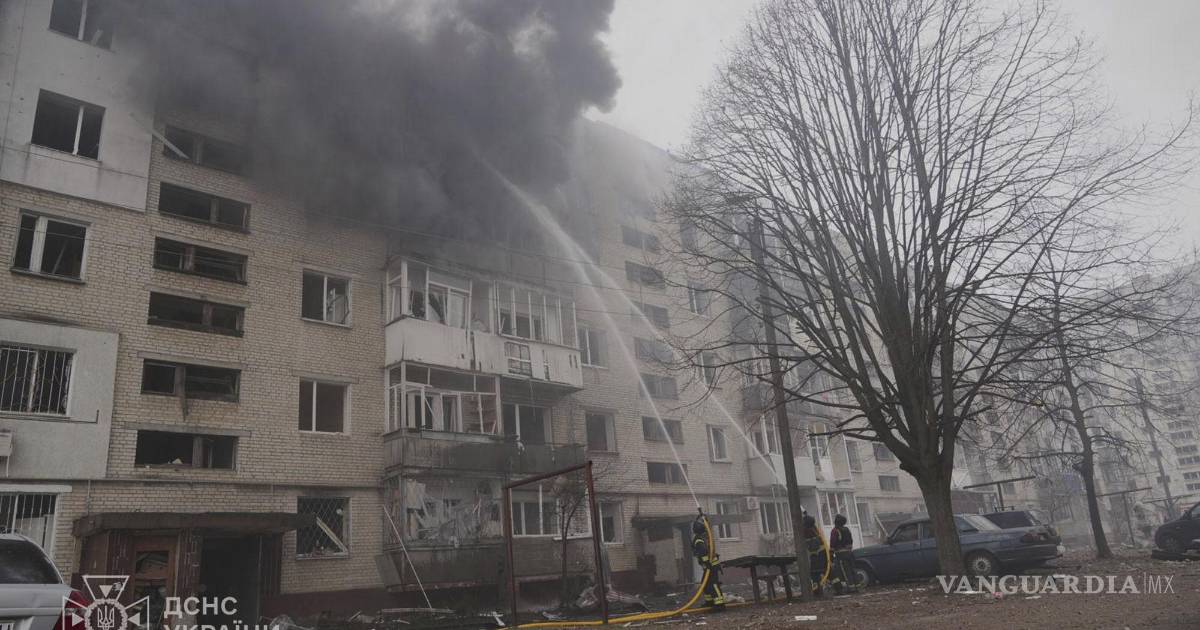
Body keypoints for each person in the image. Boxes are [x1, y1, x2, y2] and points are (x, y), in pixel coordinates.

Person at [691, 516, 726, 609]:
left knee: (713, 584)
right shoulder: (704, 537)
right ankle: (710, 602)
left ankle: (719, 604)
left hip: (711, 566)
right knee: (705, 584)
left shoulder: (699, 539)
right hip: (710, 565)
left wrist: (706, 563)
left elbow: (703, 552)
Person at [828, 514, 857, 594]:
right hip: (849, 553)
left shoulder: (835, 531)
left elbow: (832, 544)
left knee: (844, 571)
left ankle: (850, 588)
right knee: (852, 570)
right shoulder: (847, 529)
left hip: (841, 555)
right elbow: (850, 541)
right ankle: (857, 586)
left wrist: (830, 555)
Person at [803, 514, 826, 596]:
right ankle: (820, 590)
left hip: (816, 555)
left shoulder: (807, 531)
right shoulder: (815, 529)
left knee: (814, 573)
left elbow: (809, 544)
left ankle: (817, 592)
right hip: (822, 554)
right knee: (820, 573)